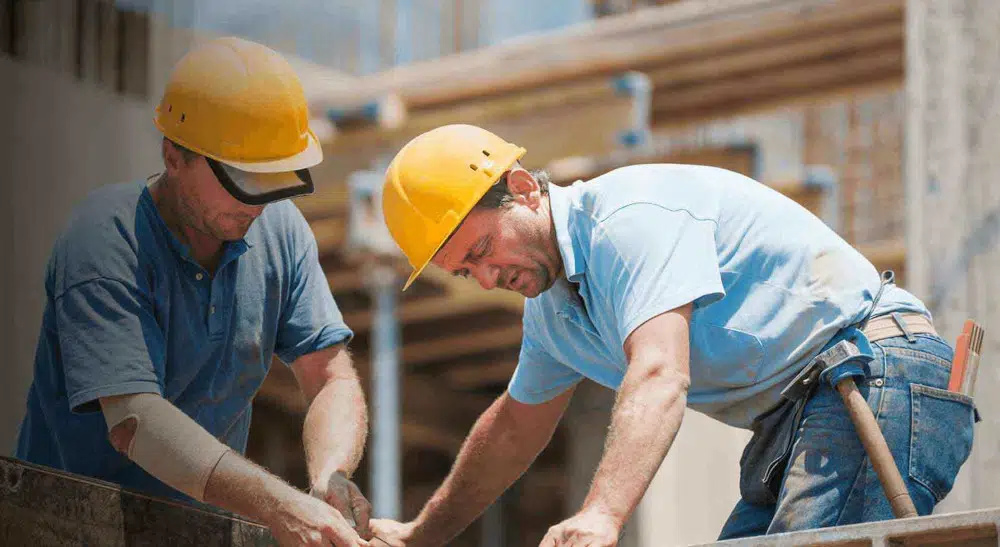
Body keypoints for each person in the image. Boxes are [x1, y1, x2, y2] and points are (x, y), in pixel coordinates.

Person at [369, 124, 979, 546]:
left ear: (523, 188)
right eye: (464, 271)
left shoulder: (629, 222)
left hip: (874, 372)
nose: (485, 277)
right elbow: (512, 429)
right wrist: (424, 534)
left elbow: (660, 372)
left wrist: (604, 514)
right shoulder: (554, 313)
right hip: (800, 413)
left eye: (481, 250)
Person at [14, 37, 374, 547]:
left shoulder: (281, 231)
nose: (257, 204)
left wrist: (329, 478)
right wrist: (278, 505)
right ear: (174, 155)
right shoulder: (105, 238)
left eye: (275, 179)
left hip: (197, 533)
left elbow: (330, 376)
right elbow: (135, 421)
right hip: (64, 531)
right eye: (243, 179)